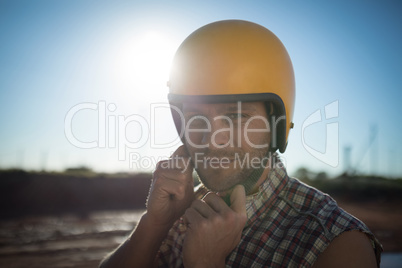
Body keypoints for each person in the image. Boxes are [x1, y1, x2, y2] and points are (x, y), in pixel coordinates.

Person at [100, 20, 382, 267]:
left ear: (276, 124)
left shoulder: (336, 243)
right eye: (196, 119)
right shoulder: (182, 208)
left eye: (236, 116)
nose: (213, 139)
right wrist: (155, 224)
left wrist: (206, 264)